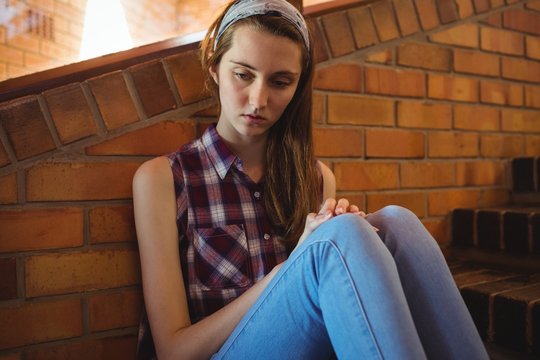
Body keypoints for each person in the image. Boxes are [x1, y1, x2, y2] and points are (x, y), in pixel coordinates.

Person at [132, 0, 489, 359]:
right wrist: (288, 270)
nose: (258, 100)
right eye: (243, 74)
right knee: (340, 239)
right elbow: (173, 351)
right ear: (215, 69)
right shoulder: (165, 178)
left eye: (280, 82)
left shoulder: (316, 179)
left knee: (397, 222)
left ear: (297, 87)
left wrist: (349, 239)